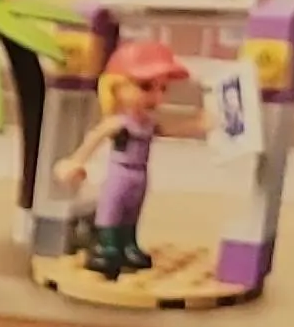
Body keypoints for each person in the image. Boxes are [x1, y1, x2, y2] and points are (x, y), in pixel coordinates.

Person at [54, 38, 205, 279]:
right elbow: (95, 138)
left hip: (141, 175)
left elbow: (171, 130)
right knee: (112, 207)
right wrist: (76, 161)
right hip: (120, 174)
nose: (156, 96)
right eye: (145, 87)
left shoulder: (148, 124)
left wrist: (197, 125)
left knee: (132, 211)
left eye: (162, 88)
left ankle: (128, 244)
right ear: (116, 88)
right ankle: (107, 246)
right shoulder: (118, 123)